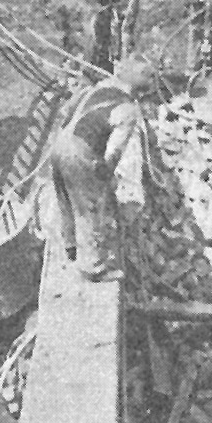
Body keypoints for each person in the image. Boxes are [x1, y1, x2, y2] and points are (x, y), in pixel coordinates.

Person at [50, 54, 156, 282]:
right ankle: (93, 267)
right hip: (80, 152)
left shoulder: (102, 85)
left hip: (60, 143)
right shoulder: (128, 109)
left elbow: (66, 111)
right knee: (90, 209)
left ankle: (69, 244)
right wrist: (105, 176)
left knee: (65, 200)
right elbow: (114, 152)